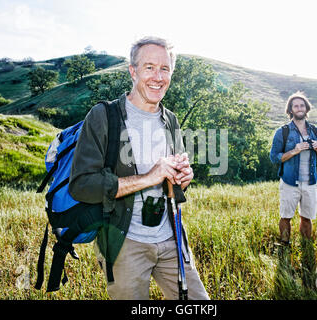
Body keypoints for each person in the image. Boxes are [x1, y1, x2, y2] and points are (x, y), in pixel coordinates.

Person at [68, 36, 209, 300]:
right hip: (125, 243)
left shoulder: (171, 120)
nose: (158, 77)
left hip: (171, 237)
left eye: (165, 69)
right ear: (133, 71)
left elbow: (174, 186)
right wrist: (147, 178)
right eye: (149, 67)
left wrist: (183, 178)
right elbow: (82, 185)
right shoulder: (103, 116)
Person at [269, 91, 317, 245]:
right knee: (286, 216)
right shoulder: (283, 132)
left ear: (306, 109)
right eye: (296, 106)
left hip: (310, 183)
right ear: (291, 110)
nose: (299, 108)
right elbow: (274, 157)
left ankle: (306, 246)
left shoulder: (315, 131)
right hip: (289, 182)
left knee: (307, 218)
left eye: (302, 105)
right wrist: (294, 150)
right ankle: (284, 245)